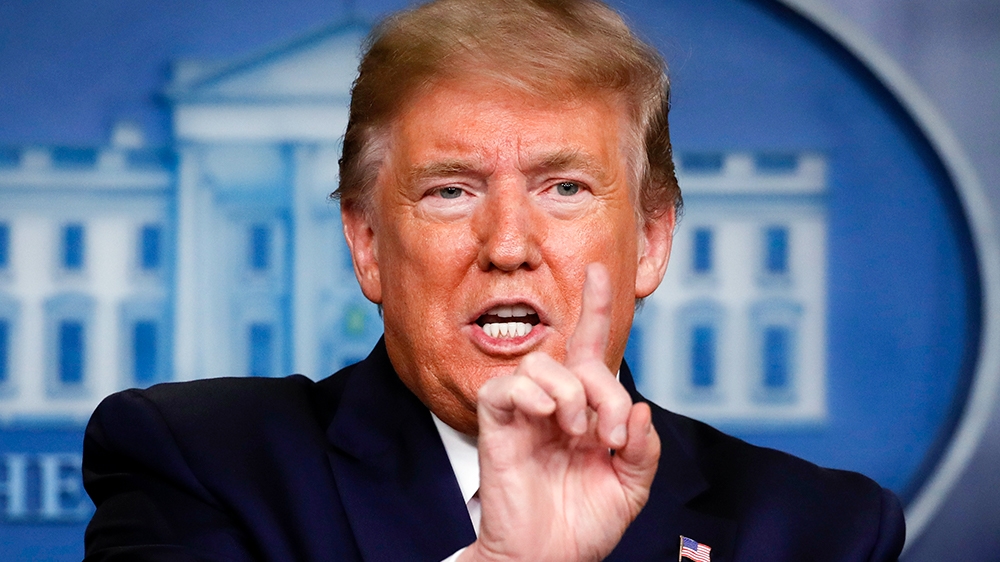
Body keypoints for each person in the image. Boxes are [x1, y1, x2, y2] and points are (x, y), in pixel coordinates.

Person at [82, 0, 906, 560]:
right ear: (368, 245)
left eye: (565, 188)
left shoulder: (821, 532)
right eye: (450, 191)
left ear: (652, 242)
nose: (508, 245)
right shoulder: (198, 463)